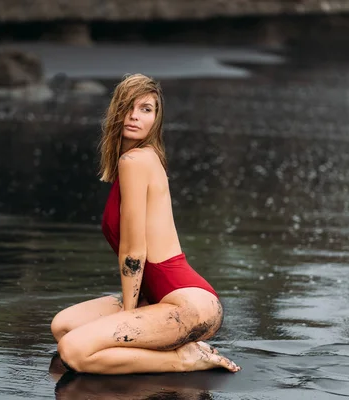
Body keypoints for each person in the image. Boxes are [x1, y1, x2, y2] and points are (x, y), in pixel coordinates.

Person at [50, 73, 240, 375]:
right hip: (162, 300)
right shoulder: (138, 159)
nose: (135, 116)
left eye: (146, 109)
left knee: (73, 350)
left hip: (188, 304)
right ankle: (172, 347)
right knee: (63, 326)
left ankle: (185, 359)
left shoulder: (136, 161)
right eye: (129, 107)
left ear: (156, 118)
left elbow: (134, 250)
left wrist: (127, 315)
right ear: (116, 110)